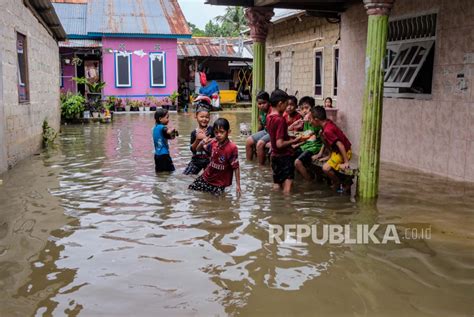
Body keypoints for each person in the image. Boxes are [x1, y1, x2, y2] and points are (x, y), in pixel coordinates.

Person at [189, 118, 241, 195]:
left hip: (219, 183)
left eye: (221, 132)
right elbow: (198, 149)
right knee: (191, 190)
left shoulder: (232, 148)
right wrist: (202, 142)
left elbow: (236, 167)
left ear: (228, 132)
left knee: (215, 204)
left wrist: (238, 185)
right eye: (216, 132)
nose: (218, 135)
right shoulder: (213, 142)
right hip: (206, 177)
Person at [266, 89, 302, 194]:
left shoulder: (269, 117)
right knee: (287, 187)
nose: (287, 107)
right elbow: (280, 143)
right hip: (285, 156)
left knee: (277, 183)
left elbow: (275, 135)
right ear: (280, 103)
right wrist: (295, 140)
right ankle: (287, 208)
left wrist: (290, 127)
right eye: (286, 104)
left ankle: (276, 204)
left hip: (275, 156)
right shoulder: (280, 119)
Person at [310, 106, 352, 190]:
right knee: (321, 134)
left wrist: (346, 162)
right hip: (335, 152)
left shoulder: (328, 130)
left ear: (317, 120)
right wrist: (321, 154)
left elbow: (341, 145)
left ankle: (339, 182)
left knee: (325, 168)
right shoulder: (325, 125)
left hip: (345, 152)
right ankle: (331, 158)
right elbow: (327, 141)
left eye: (311, 119)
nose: (310, 122)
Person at [184, 107, 214, 175]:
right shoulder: (194, 133)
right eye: (201, 117)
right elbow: (193, 150)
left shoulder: (212, 130)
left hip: (209, 160)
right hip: (196, 159)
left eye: (207, 117)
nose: (204, 119)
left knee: (210, 178)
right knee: (186, 176)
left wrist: (206, 138)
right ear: (196, 117)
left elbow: (218, 142)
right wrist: (197, 139)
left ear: (209, 118)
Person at [245, 91, 272, 164]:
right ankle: (249, 163)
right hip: (265, 131)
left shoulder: (271, 111)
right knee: (248, 141)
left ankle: (261, 167)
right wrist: (255, 135)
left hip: (272, 133)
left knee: (259, 144)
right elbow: (261, 124)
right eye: (260, 104)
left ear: (269, 102)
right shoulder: (261, 111)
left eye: (264, 103)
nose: (262, 105)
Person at [153, 108, 178, 172]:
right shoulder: (163, 127)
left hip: (157, 155)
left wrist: (173, 134)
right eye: (167, 117)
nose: (168, 120)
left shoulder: (155, 128)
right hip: (164, 155)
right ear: (160, 119)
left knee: (159, 172)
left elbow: (170, 137)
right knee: (171, 171)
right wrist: (173, 129)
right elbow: (168, 132)